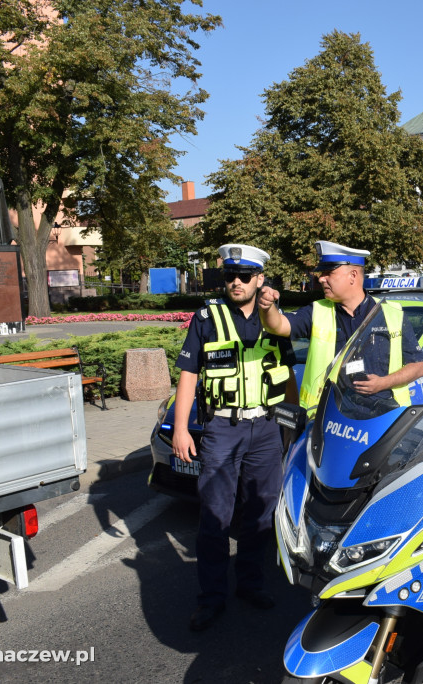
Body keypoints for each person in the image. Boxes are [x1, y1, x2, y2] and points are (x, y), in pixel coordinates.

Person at [172, 243, 298, 632]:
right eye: (230, 276)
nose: (236, 282)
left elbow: (287, 373)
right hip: (221, 429)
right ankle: (211, 597)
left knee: (260, 512)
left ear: (260, 279)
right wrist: (180, 428)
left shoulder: (273, 320)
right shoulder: (207, 318)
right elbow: (189, 374)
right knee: (215, 516)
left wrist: (292, 428)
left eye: (245, 276)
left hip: (265, 428)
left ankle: (250, 584)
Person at [258, 240, 423, 417]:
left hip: (383, 420)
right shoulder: (317, 311)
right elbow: (277, 326)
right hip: (328, 421)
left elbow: (418, 366)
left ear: (353, 275)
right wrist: (267, 308)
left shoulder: (393, 314)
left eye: (328, 272)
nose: (321, 278)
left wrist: (383, 383)